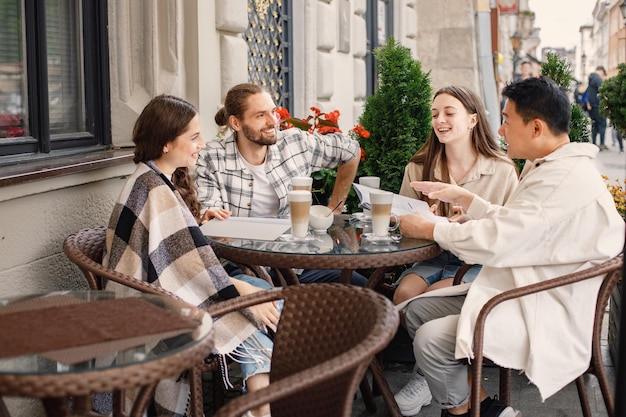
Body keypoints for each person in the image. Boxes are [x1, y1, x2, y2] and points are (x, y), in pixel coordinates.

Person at [397, 77, 625, 416]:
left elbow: (497, 242)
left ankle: (475, 409)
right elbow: (523, 225)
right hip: (523, 286)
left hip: (540, 303)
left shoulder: (560, 178)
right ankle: (482, 405)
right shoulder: (554, 165)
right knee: (415, 311)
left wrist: (432, 229)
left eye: (506, 120)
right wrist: (471, 200)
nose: (500, 131)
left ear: (535, 128)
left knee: (430, 341)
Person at [104, 95, 278, 417]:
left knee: (260, 298)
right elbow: (180, 268)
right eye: (194, 137)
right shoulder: (153, 187)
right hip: (148, 308)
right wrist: (239, 289)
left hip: (157, 293)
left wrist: (196, 222)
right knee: (259, 307)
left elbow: (171, 248)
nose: (202, 144)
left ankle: (258, 409)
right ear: (167, 143)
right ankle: (261, 410)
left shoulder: (152, 178)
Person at [392, 86, 518, 416]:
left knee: (427, 299)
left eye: (449, 113)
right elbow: (402, 222)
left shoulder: (502, 170)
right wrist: (422, 221)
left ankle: (434, 377)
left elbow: (509, 232)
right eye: (435, 114)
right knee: (403, 295)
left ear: (473, 119)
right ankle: (428, 373)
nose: (440, 120)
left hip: (477, 262)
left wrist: (468, 224)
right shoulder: (418, 166)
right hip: (430, 255)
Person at [195, 83, 367, 286]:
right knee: (269, 303)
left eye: (273, 112)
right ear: (236, 123)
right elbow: (209, 209)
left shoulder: (295, 143)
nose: (272, 122)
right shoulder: (212, 158)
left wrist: (335, 207)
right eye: (260, 115)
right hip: (244, 269)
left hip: (296, 263)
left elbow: (351, 150)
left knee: (364, 291)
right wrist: (208, 215)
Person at [587, 66, 608, 150]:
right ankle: (602, 144)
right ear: (601, 71)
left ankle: (594, 143)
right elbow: (602, 91)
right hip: (598, 106)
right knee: (602, 124)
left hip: (592, 106)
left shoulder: (591, 78)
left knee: (594, 125)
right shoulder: (598, 79)